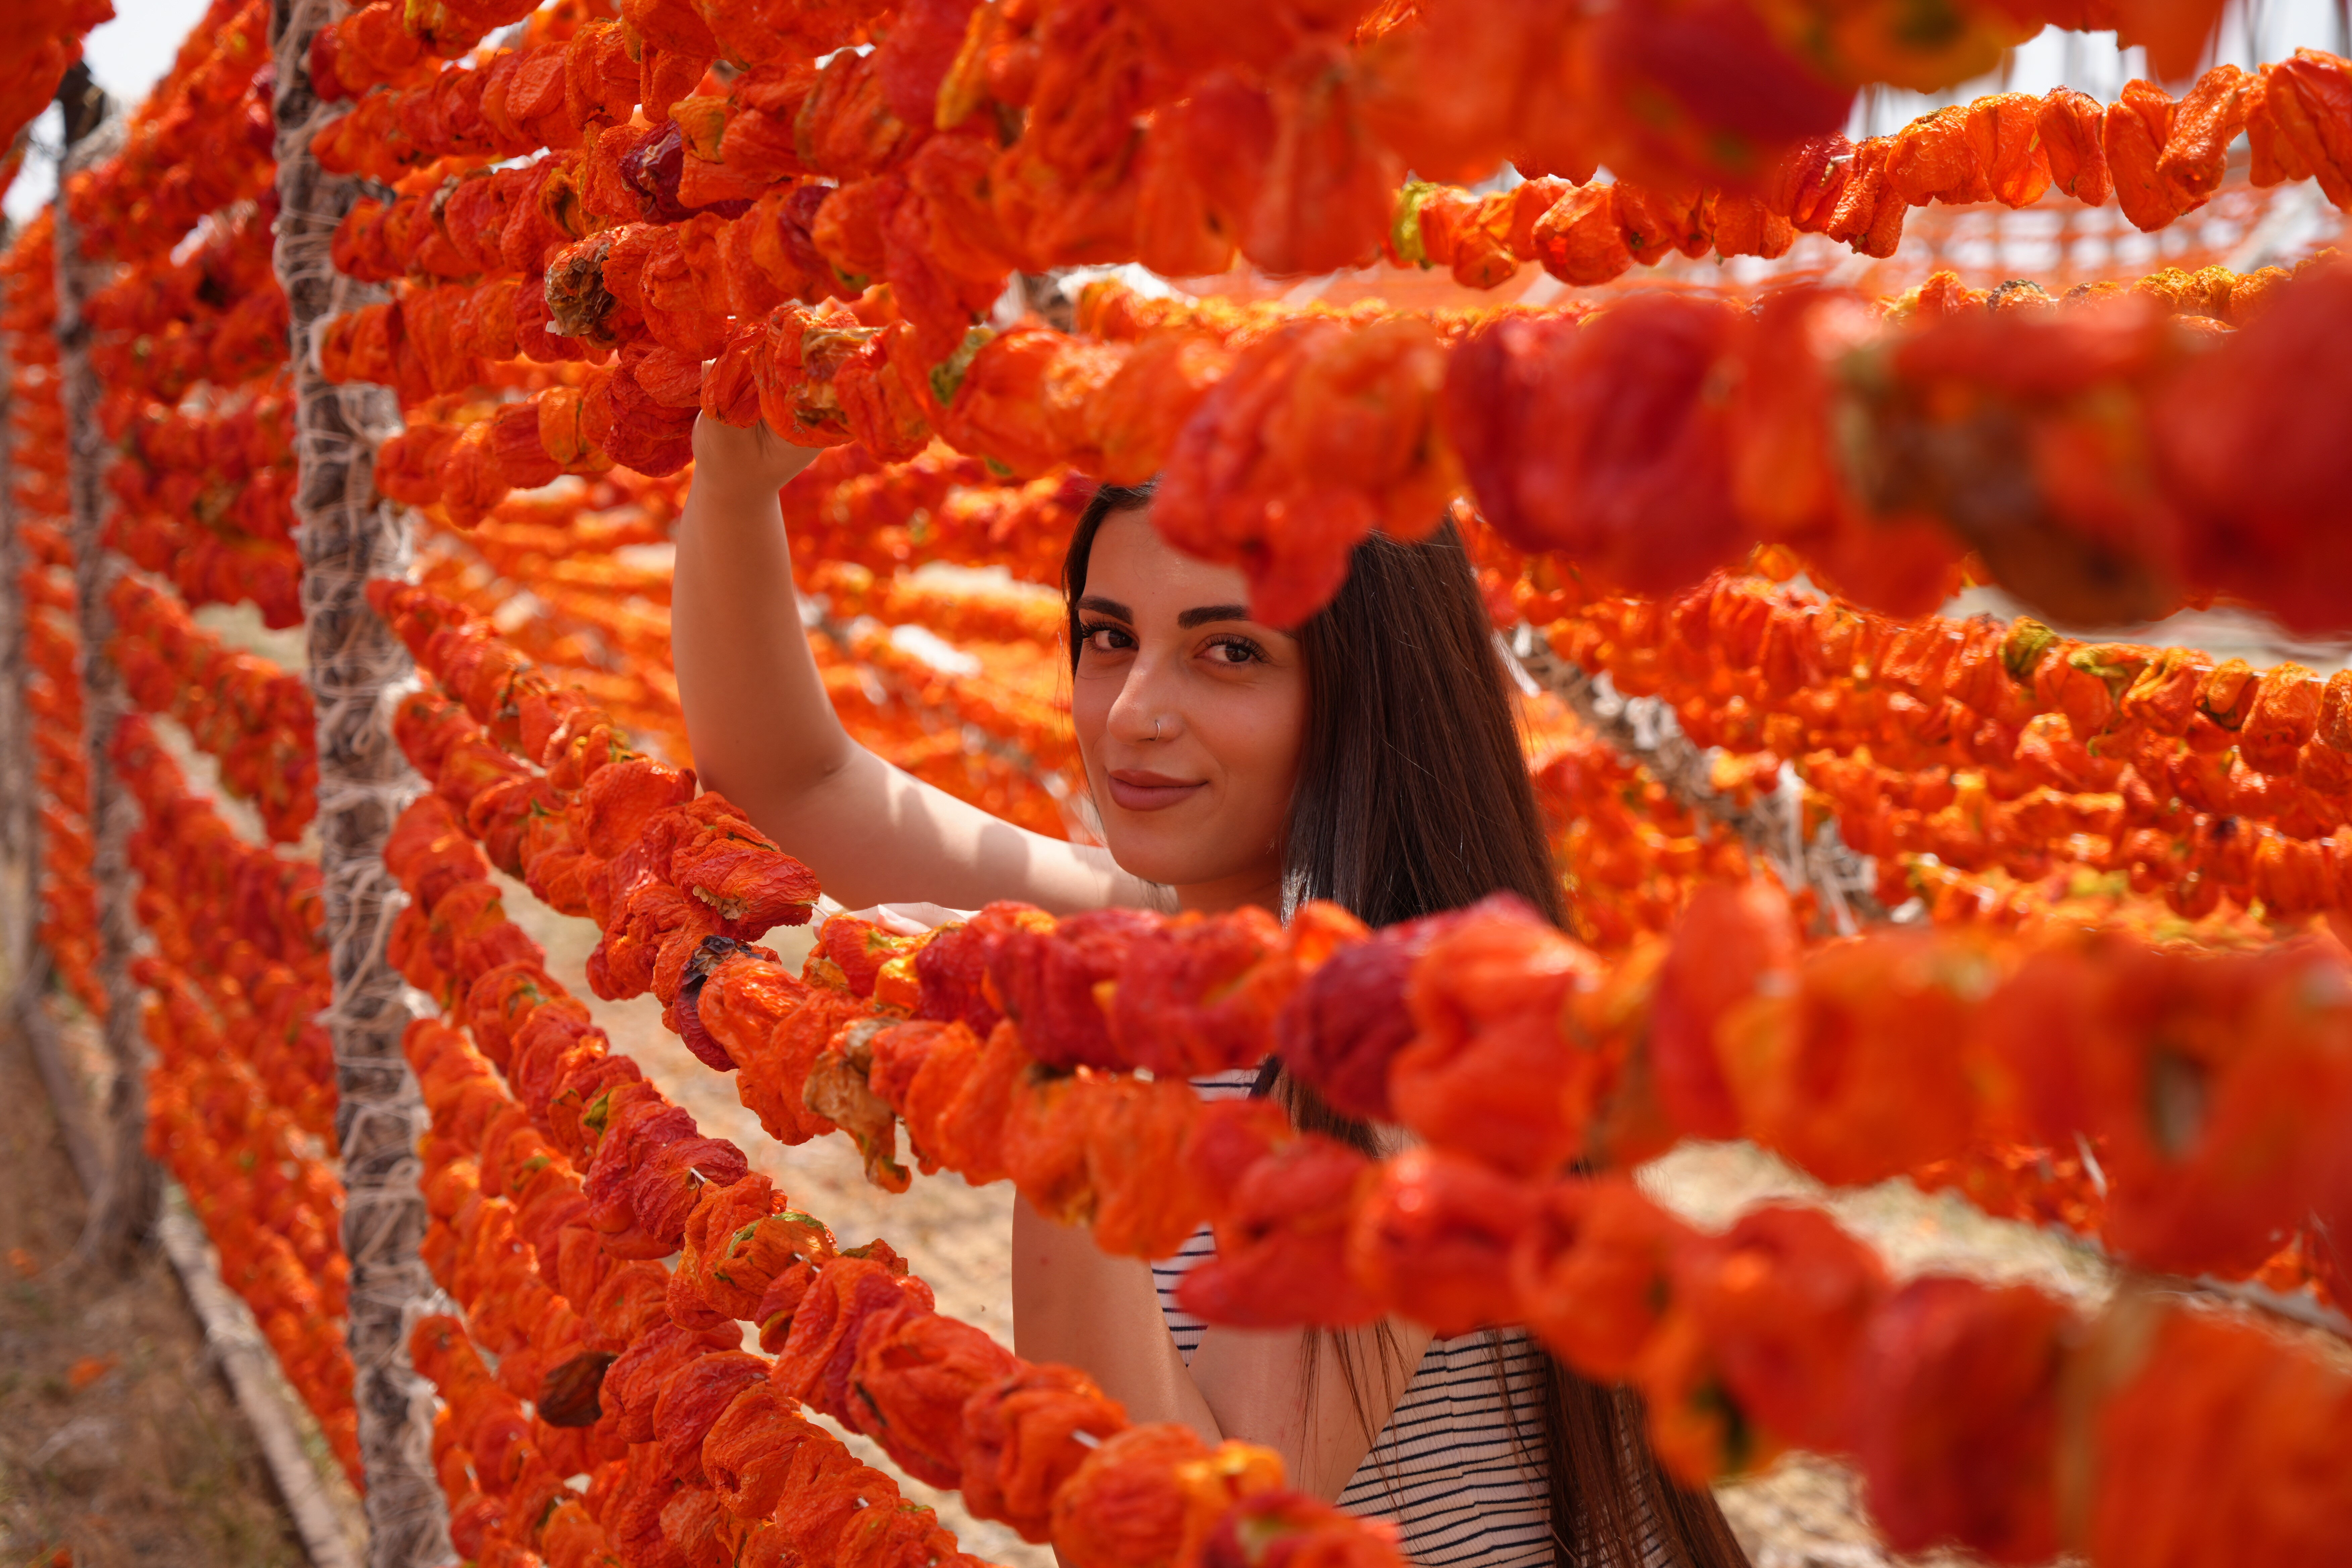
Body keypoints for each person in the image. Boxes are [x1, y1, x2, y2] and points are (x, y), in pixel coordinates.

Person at [674, 418, 1750, 1568]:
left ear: (1366, 694)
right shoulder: (1173, 946)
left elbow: (1173, 1541)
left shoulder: (1412, 1050)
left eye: (1228, 650)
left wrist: (1060, 1089)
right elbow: (800, 783)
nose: (1134, 710)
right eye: (1107, 636)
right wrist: (735, 489)